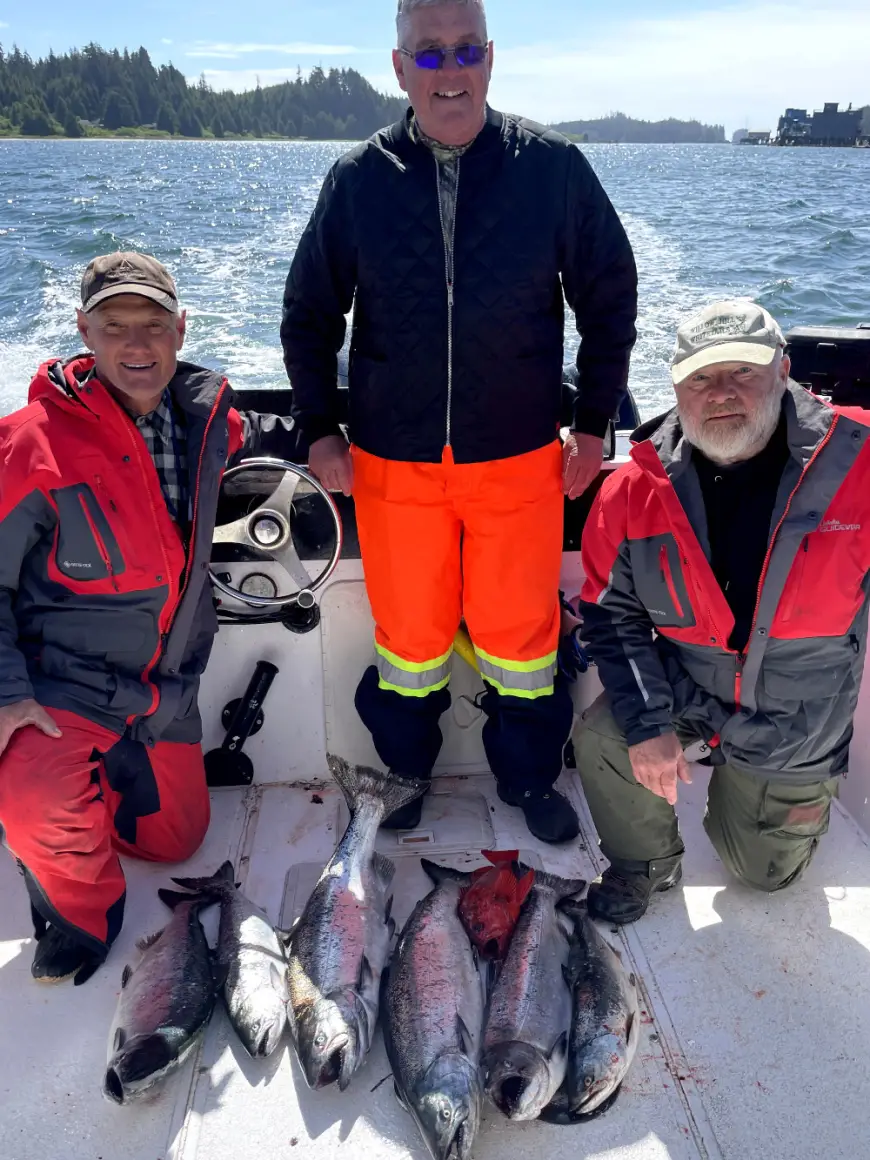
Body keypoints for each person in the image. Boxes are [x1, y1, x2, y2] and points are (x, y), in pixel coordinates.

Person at [281, 0, 638, 843]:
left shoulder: (554, 169)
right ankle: (406, 772)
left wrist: (593, 423)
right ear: (400, 68)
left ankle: (529, 777)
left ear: (491, 58)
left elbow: (610, 297)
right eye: (431, 54)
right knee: (408, 645)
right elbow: (309, 312)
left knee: (524, 644)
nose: (451, 70)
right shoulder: (357, 179)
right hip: (392, 460)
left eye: (466, 50)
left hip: (518, 455)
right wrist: (319, 428)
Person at [0, 252, 302, 984]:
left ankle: (93, 788)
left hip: (165, 690)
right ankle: (77, 914)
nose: (137, 345)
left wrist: (344, 443)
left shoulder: (209, 423)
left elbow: (272, 435)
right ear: (84, 332)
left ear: (181, 330)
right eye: (114, 326)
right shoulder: (27, 443)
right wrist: (8, 694)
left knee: (177, 844)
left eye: (154, 325)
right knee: (36, 799)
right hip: (64, 686)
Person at [573, 299, 870, 922]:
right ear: (676, 387)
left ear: (783, 370)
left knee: (762, 876)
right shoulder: (632, 488)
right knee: (606, 737)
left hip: (796, 715)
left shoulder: (859, 457)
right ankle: (645, 864)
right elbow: (611, 614)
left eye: (743, 372)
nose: (721, 392)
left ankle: (765, 804)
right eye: (702, 377)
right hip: (691, 688)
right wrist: (648, 724)